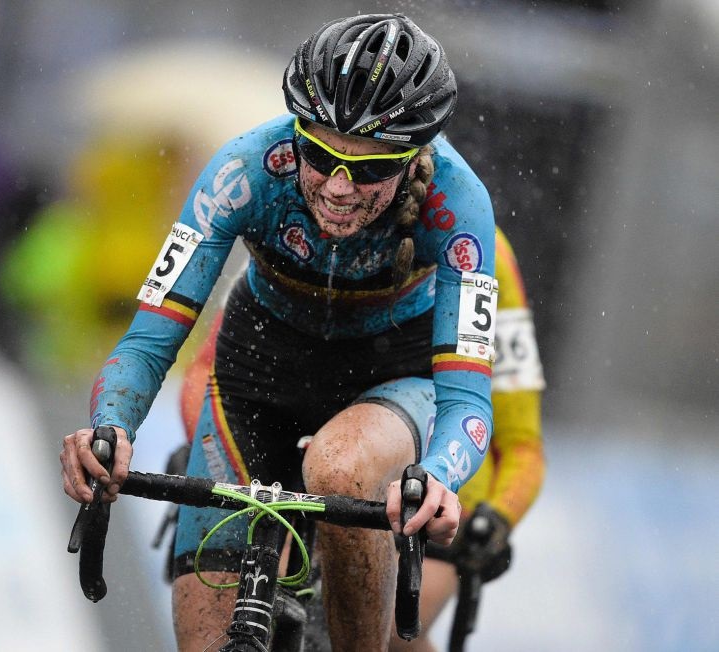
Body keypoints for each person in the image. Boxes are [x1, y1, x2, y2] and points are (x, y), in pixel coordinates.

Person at [61, 14, 501, 650]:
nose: (339, 187)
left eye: (370, 169)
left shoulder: (459, 205)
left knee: (341, 467)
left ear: (413, 159)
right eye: (320, 156)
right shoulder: (243, 170)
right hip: (260, 369)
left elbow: (467, 402)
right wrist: (110, 428)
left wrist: (437, 474)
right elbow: (149, 342)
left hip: (390, 378)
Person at [176, 228, 546, 650]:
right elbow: (209, 372)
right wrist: (209, 449)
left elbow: (522, 444)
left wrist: (498, 517)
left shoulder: (476, 248)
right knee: (254, 592)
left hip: (424, 476)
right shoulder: (303, 221)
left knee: (393, 630)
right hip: (301, 456)